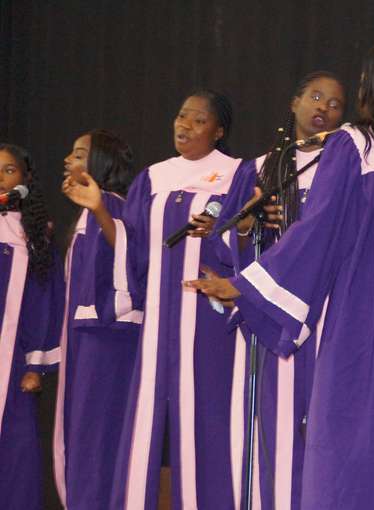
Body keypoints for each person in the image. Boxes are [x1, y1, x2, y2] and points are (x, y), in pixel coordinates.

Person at [187, 39, 374, 509]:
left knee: (359, 447)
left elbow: (318, 233)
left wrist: (247, 286)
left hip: (370, 315)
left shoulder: (355, 145)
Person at [60, 90, 255, 509]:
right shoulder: (153, 177)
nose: (185, 125)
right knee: (145, 423)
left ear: (219, 131)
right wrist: (100, 209)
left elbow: (247, 242)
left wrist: (225, 237)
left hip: (210, 319)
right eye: (182, 116)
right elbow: (133, 252)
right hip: (159, 321)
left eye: (199, 120)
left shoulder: (238, 174)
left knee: (209, 418)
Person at [215, 70, 345, 509]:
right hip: (271, 313)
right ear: (294, 102)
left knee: (325, 425)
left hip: (329, 312)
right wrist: (248, 223)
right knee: (271, 425)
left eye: (335, 104)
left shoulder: (344, 170)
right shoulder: (258, 169)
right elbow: (223, 241)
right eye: (315, 97)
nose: (324, 108)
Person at [53, 129, 140, 509]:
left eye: (78, 154)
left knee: (97, 433)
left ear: (100, 161)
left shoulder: (114, 208)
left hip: (107, 337)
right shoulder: (91, 211)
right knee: (82, 430)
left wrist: (99, 208)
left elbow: (134, 259)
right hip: (85, 337)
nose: (67, 161)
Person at [0, 143, 64, 510]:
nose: (0, 178)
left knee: (16, 447)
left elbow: (46, 301)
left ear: (25, 179)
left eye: (9, 170)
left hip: (13, 358)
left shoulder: (35, 236)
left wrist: (35, 365)